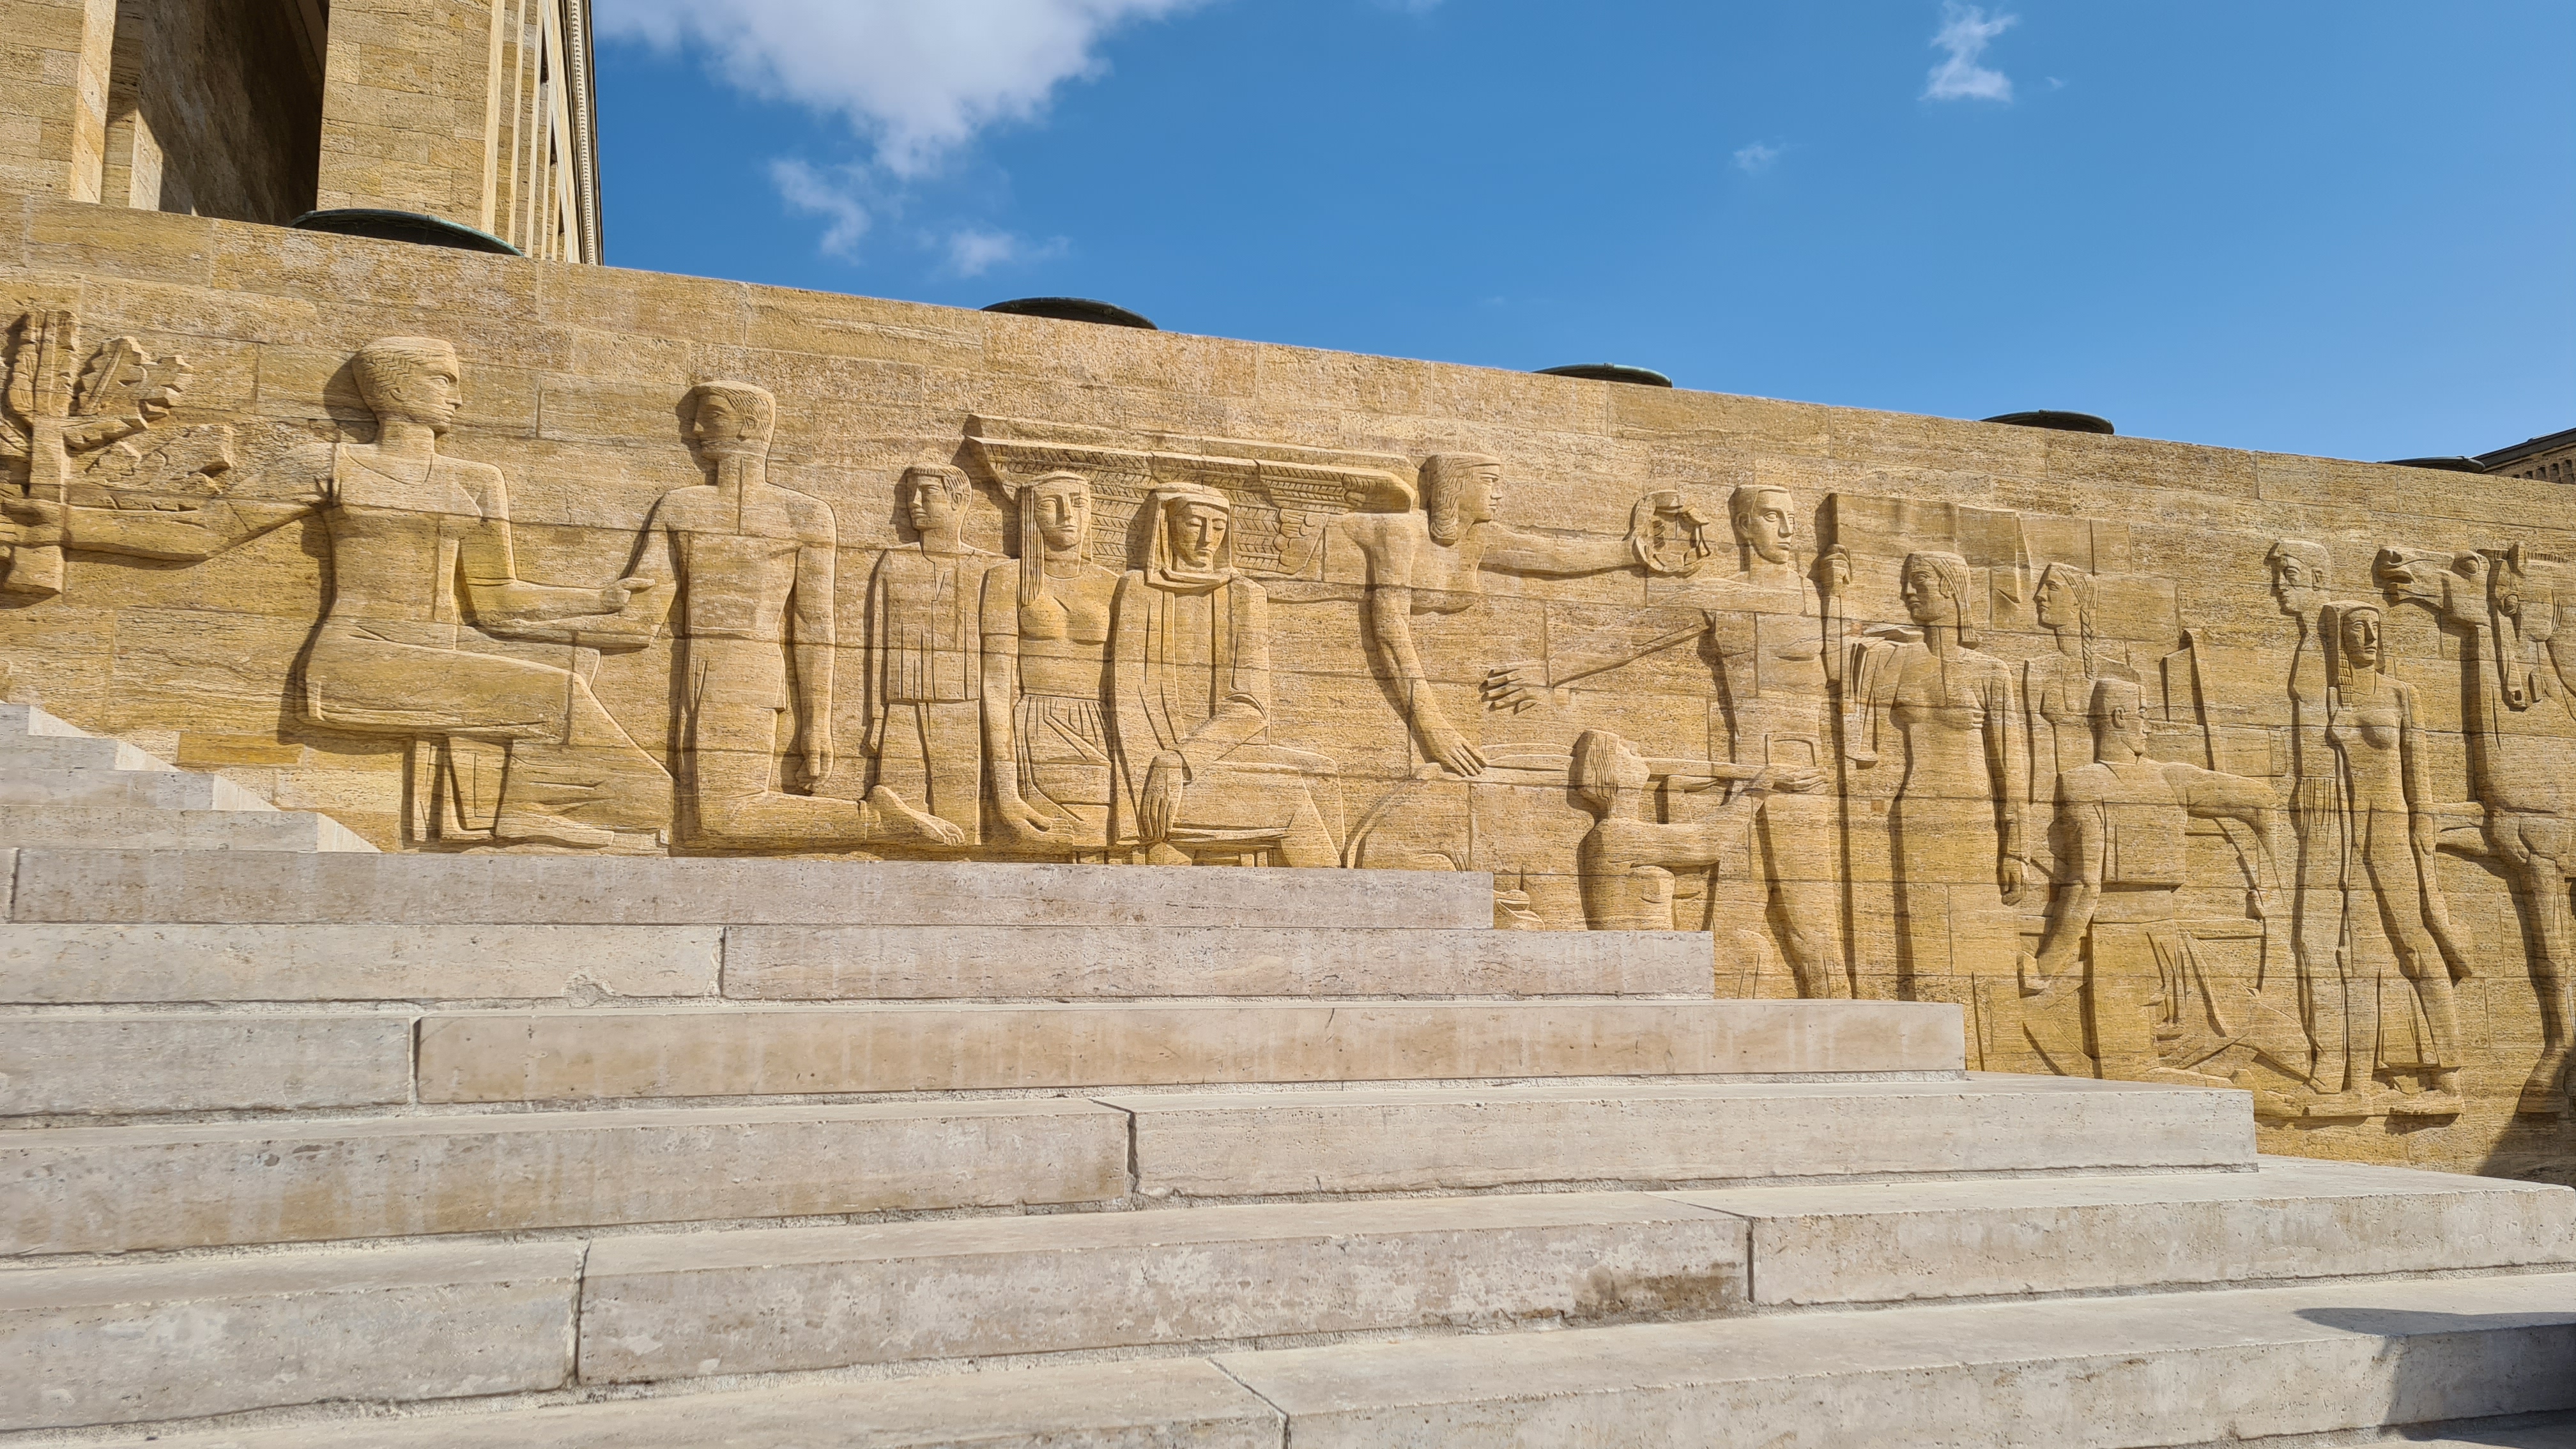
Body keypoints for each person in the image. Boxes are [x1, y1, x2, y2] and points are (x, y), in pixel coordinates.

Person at [293, 337, 671, 849]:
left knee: (575, 661)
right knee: (629, 773)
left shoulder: (475, 479)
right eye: (443, 380)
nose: (458, 398)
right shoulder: (330, 464)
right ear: (394, 387)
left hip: (437, 651)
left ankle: (492, 811)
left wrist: (599, 598)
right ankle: (534, 808)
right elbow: (203, 532)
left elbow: (497, 600)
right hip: (359, 654)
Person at [1482, 483, 1852, 995]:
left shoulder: (1814, 595)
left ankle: (1837, 1011)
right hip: (1749, 767)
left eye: (1793, 518)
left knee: (1811, 922)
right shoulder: (1721, 594)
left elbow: (1840, 674)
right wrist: (1549, 670)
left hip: (1801, 775)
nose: (1789, 531)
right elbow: (1633, 637)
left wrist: (1838, 597)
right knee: (1733, 923)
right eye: (1773, 517)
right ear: (1744, 526)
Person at [599, 382, 962, 850]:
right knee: (699, 826)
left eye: (713, 416)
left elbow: (814, 624)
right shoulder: (681, 506)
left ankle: (873, 819)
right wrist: (536, 619)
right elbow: (638, 617)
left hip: (748, 669)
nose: (696, 429)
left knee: (726, 818)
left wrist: (817, 725)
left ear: (750, 426)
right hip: (695, 667)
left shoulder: (803, 515)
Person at [1298, 452, 1702, 776]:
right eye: (1489, 482)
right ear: (1456, 486)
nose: (1499, 495)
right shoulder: (1399, 531)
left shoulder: (1477, 537)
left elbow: (1551, 555)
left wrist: (1634, 551)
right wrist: (1433, 728)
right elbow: (1389, 630)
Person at [2019, 677, 2295, 1085]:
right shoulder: (2173, 778)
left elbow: (2085, 885)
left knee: (2127, 1074)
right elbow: (2263, 801)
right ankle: (2238, 1090)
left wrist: (2045, 965)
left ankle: (2233, 1094)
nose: (2149, 726)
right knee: (2138, 1070)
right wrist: (2277, 886)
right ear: (2119, 717)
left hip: (2120, 939)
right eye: (2144, 715)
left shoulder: (2083, 783)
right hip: (2164, 935)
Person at [1109, 482, 1341, 866]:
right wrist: (1168, 760)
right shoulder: (1139, 589)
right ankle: (1330, 897)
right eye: (1194, 524)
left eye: (1218, 527)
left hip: (1208, 751)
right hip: (1150, 758)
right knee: (1295, 806)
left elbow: (1251, 706)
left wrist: (1184, 756)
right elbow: (1130, 695)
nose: (1207, 538)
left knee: (1324, 773)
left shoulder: (1244, 594)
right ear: (1168, 526)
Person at [1846, 550, 2029, 1006]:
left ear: (1950, 587)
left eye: (1920, 580)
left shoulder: (1990, 671)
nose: (1907, 592)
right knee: (1919, 945)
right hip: (1911, 810)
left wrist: (2016, 848)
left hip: (1975, 819)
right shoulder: (1892, 661)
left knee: (1981, 945)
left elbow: (2010, 764)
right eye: (1906, 582)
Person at [2326, 600, 2468, 1115]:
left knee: (2416, 942)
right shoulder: (2326, 696)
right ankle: (2357, 1083)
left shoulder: (2400, 694)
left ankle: (2449, 1080)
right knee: (2359, 957)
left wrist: (2423, 831)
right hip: (2345, 832)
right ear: (2339, 638)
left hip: (2391, 828)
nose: (2369, 636)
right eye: (2357, 628)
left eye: (2376, 626)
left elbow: (2419, 773)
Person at [2267, 540, 2375, 1108]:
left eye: (2288, 575)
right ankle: (2331, 1060)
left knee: (2326, 938)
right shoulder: (2311, 637)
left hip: (2341, 800)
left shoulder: (2340, 633)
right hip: (2315, 798)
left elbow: (2361, 722)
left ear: (2315, 577)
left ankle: (2339, 1067)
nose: (2278, 587)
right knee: (2314, 939)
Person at [980, 470, 1121, 853]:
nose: (1067, 515)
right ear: (1030, 514)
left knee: (1101, 851)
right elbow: (997, 685)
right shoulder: (1007, 579)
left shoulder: (1114, 585)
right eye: (1050, 505)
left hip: (1102, 728)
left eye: (1078, 503)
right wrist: (1005, 790)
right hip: (1033, 728)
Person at [1568, 728, 1814, 931]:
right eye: (1625, 752)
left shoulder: (1621, 831)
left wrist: (1674, 788)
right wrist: (1764, 781)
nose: (1634, 749)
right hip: (1637, 953)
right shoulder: (1615, 835)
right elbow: (1707, 842)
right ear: (1613, 774)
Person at [864, 465, 994, 844]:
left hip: (964, 703)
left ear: (959, 500)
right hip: (901, 702)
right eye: (910, 494)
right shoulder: (894, 560)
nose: (914, 503)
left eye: (928, 493)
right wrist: (876, 716)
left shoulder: (989, 566)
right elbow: (877, 643)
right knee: (897, 819)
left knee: (961, 821)